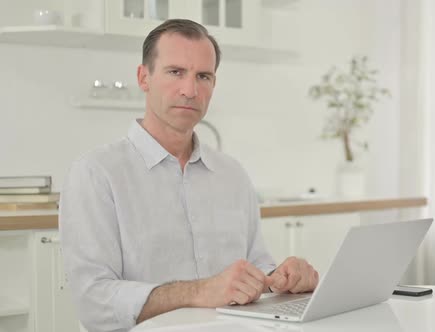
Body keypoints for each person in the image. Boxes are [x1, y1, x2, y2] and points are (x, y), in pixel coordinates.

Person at [59, 19, 319, 332]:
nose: (190, 90)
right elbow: (93, 302)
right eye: (175, 72)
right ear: (144, 77)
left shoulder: (232, 174)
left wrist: (283, 278)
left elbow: (257, 267)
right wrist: (199, 292)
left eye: (203, 76)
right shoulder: (96, 174)